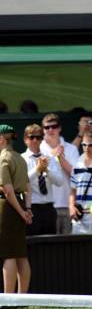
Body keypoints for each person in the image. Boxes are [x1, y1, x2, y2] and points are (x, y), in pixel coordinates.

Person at [0, 124, 32, 293]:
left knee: (9, 253)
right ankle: (22, 297)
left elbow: (7, 189)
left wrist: (21, 212)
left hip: (7, 208)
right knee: (20, 253)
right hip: (19, 206)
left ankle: (8, 298)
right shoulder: (20, 158)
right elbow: (27, 187)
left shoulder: (3, 158)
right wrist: (27, 209)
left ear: (1, 139)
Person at [40, 113, 80, 234]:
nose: (51, 130)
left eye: (54, 126)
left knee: (69, 245)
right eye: (47, 127)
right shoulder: (39, 149)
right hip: (47, 205)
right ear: (43, 130)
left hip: (68, 204)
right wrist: (52, 155)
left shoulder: (71, 148)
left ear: (60, 128)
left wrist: (60, 158)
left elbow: (76, 175)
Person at [21, 124, 63, 235]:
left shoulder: (50, 158)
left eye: (38, 137)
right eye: (31, 137)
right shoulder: (21, 159)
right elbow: (21, 182)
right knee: (32, 245)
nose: (35, 140)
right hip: (30, 208)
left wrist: (47, 171)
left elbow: (60, 182)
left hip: (49, 208)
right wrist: (37, 170)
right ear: (25, 139)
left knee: (50, 246)